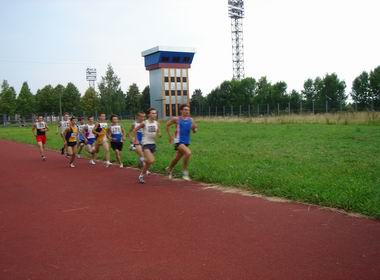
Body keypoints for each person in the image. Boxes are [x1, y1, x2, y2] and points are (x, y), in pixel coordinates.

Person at [165, 104, 197, 181]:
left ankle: (169, 168)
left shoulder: (191, 120)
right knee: (188, 153)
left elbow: (195, 131)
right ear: (181, 111)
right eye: (185, 110)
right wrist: (170, 136)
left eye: (188, 110)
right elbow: (167, 125)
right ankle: (185, 173)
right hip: (178, 141)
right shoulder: (176, 119)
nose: (187, 111)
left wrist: (194, 129)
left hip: (186, 141)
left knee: (177, 158)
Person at [134, 108, 161, 184]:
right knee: (151, 160)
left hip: (153, 144)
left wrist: (159, 134)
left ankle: (141, 175)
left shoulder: (157, 123)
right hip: (145, 143)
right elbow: (135, 129)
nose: (154, 114)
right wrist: (136, 139)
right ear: (149, 114)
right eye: (152, 113)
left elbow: (158, 131)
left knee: (149, 163)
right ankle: (142, 159)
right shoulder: (144, 123)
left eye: (155, 113)